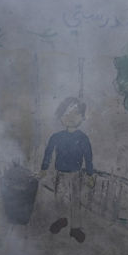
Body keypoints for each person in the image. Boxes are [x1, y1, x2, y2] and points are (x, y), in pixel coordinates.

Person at [39, 96, 94, 242]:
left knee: (75, 200)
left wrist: (90, 174)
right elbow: (48, 152)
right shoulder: (56, 137)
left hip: (76, 174)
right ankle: (61, 220)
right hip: (60, 173)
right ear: (61, 117)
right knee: (59, 198)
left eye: (75, 113)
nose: (70, 117)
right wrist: (44, 168)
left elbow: (88, 157)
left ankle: (75, 228)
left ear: (82, 117)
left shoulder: (83, 138)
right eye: (67, 113)